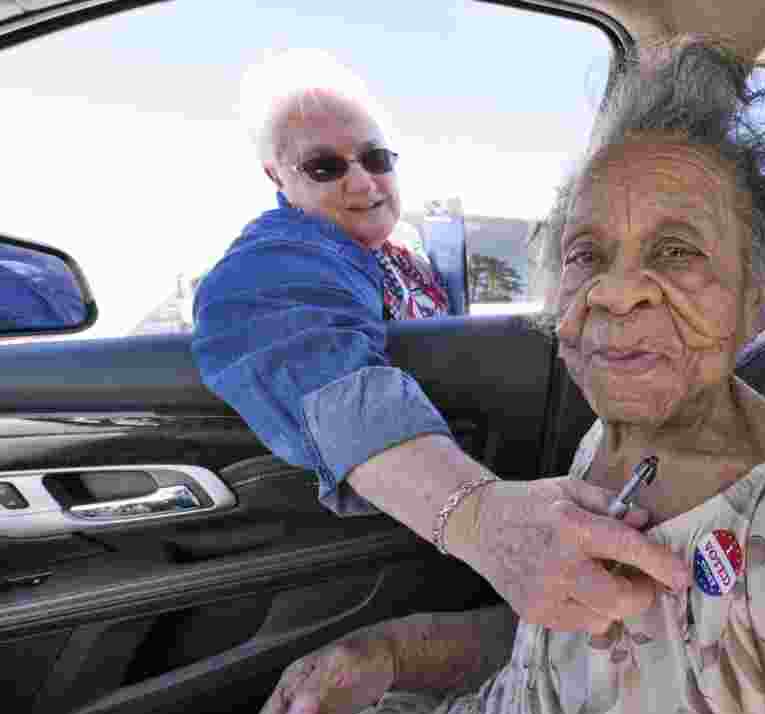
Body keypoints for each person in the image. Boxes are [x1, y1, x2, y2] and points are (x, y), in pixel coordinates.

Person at [112, 38, 765, 714]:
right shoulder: (617, 441)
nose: (618, 293)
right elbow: (580, 635)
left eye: (676, 253)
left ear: (758, 297)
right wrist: (387, 653)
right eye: (588, 254)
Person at [189, 50, 689, 644]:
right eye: (325, 167)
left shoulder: (397, 256)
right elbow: (306, 353)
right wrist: (484, 518)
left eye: (376, 158)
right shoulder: (282, 256)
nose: (362, 181)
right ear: (278, 176)